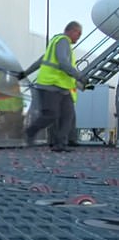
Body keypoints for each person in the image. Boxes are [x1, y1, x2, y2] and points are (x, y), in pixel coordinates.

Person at [18, 21, 87, 152]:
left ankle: (60, 144)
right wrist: (80, 76)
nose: (79, 37)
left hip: (63, 88)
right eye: (79, 34)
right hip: (51, 85)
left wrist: (25, 73)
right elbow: (63, 63)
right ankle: (29, 132)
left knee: (68, 116)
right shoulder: (63, 41)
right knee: (51, 114)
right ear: (72, 31)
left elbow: (40, 61)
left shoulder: (55, 43)